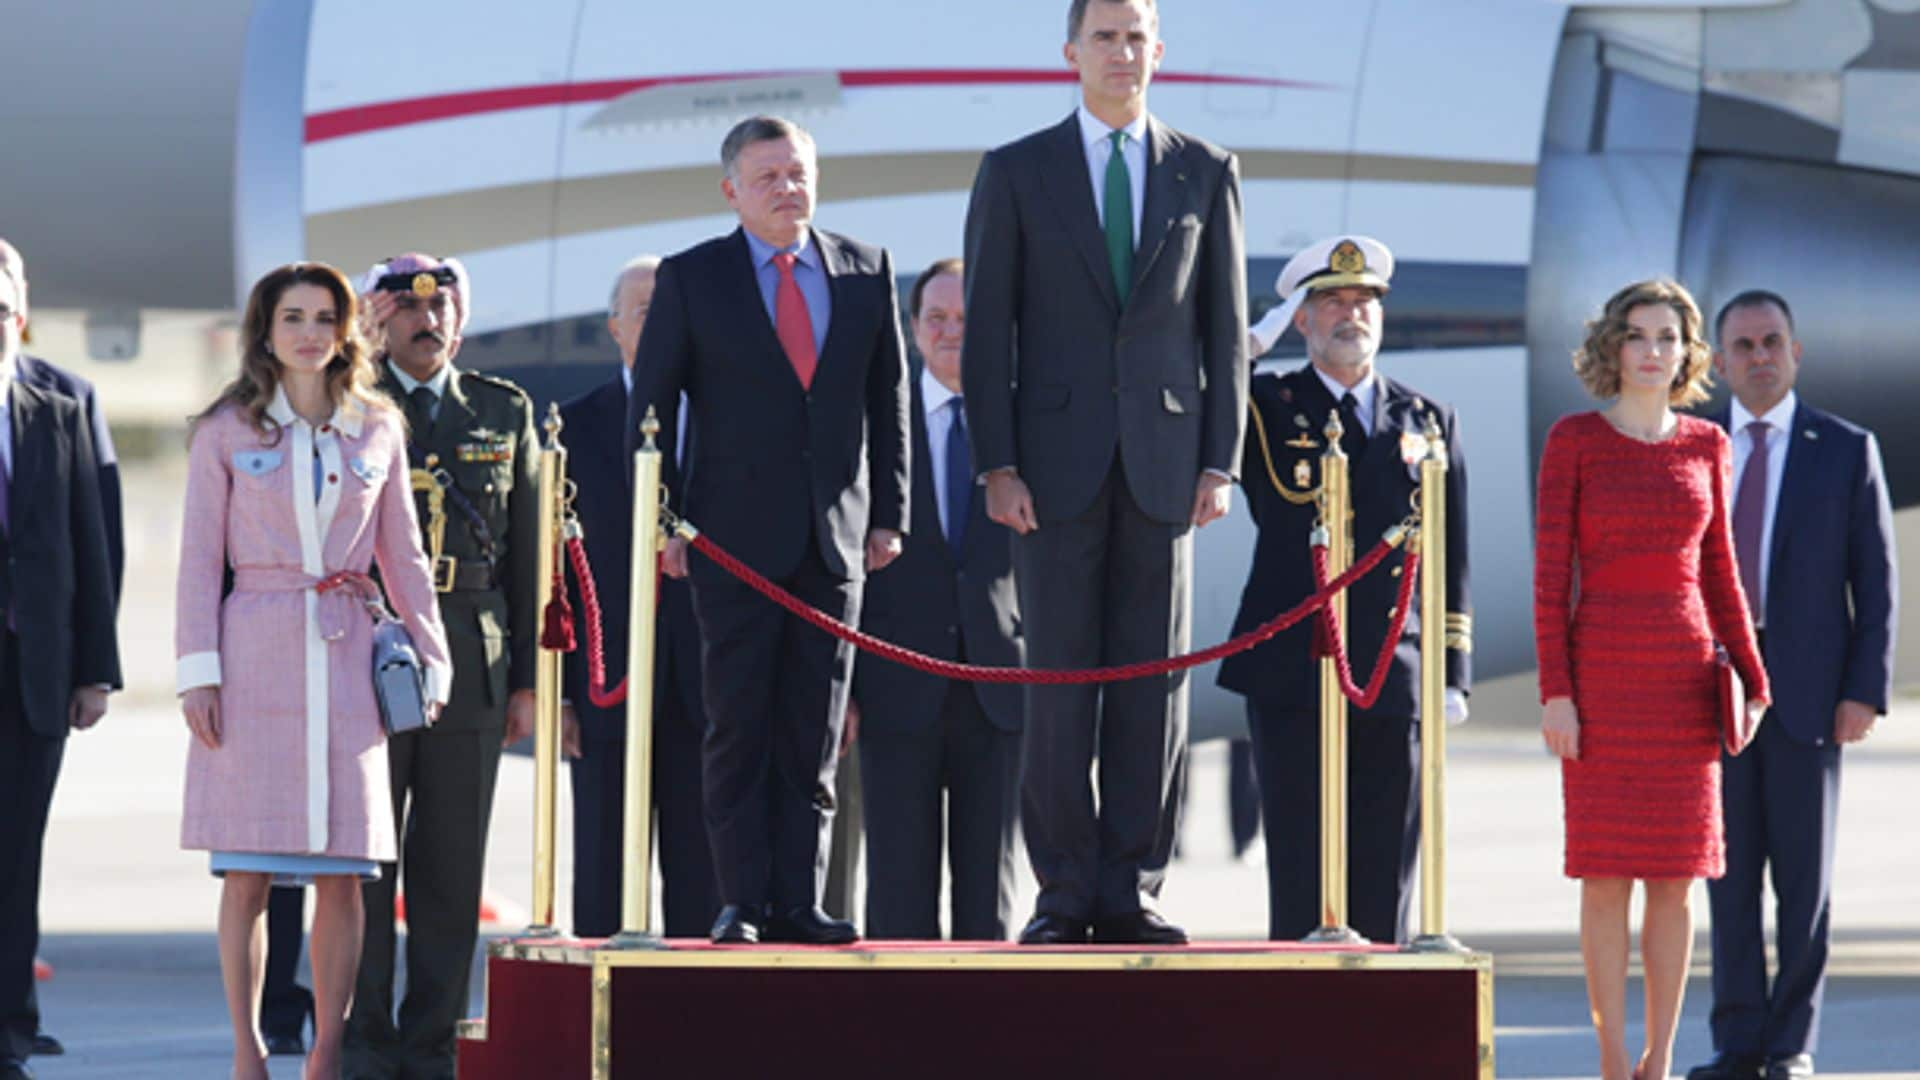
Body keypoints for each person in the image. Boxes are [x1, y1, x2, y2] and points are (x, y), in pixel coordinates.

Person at [961, 0, 1247, 947]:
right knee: (1059, 690)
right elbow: (989, 327)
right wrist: (997, 463)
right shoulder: (1016, 169)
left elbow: (1223, 332)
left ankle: (1134, 885)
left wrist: (1221, 460)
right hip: (1050, 470)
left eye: (1137, 37)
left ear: (1159, 52)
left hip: (1165, 471)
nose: (1123, 52)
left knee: (1151, 689)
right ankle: (1063, 890)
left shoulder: (1205, 171)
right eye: (1106, 36)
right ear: (1071, 53)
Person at [628, 114, 910, 946]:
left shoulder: (865, 269)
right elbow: (652, 407)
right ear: (732, 191)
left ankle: (800, 899)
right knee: (740, 726)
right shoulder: (693, 277)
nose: (789, 189)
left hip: (835, 542)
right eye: (769, 178)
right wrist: (667, 521)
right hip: (730, 543)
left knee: (814, 731)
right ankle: (741, 900)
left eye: (798, 173)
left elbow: (887, 401)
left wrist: (889, 514)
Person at [175, 262, 452, 1080]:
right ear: (264, 331)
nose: (308, 333)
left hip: (346, 656)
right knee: (247, 870)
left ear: (345, 331)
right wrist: (199, 672)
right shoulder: (226, 429)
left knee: (346, 873)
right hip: (252, 651)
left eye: (324, 317)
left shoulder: (378, 427)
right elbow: (198, 562)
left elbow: (403, 553)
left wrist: (430, 659)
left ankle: (326, 1054)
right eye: (292, 317)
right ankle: (246, 1049)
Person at [1534, 278, 1771, 1080]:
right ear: (1614, 346)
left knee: (1675, 882)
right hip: (1600, 675)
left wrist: (1752, 674)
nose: (1652, 351)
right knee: (1604, 880)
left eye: (1667, 337)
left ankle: (1660, 1059)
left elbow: (1722, 571)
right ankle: (1608, 1060)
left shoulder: (1708, 445)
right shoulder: (1573, 440)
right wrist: (1555, 692)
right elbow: (1548, 578)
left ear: (1687, 352)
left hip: (1683, 676)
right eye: (1638, 336)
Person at [1217, 236, 1471, 945]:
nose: (1351, 315)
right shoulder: (1267, 404)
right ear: (1302, 319)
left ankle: (1379, 1037)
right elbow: (1198, 394)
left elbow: (1452, 554)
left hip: (1394, 670)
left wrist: (1451, 671)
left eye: (1364, 303)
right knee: (1301, 870)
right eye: (1331, 302)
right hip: (1296, 664)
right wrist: (1250, 342)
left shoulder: (1425, 420)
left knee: (1387, 868)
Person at [1686, 293, 1896, 1080]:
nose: (1759, 357)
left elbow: (1876, 582)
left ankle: (1790, 1045)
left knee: (1804, 886)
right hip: (1716, 694)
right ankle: (1737, 1043)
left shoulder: (1843, 448)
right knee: (1728, 879)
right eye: (1742, 346)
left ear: (1797, 352)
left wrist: (1863, 690)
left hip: (1809, 693)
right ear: (1720, 362)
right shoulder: (1697, 445)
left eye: (1773, 342)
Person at [347, 253, 539, 1079]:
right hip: (367, 647)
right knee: (363, 858)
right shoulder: (349, 405)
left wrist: (529, 679)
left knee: (451, 861)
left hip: (470, 652)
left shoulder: (502, 409)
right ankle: (363, 1041)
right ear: (379, 323)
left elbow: (532, 557)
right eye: (409, 312)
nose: (429, 324)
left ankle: (429, 1044)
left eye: (443, 310)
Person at [850, 258, 1024, 941]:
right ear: (913, 330)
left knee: (992, 894)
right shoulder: (871, 429)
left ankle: (989, 1039)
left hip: (1001, 688)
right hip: (896, 690)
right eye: (937, 320)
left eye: (966, 320)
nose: (952, 333)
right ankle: (899, 1040)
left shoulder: (1028, 424)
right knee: (897, 892)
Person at [558, 255, 719, 938]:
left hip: (708, 686)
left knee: (703, 874)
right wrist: (562, 688)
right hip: (606, 684)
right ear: (615, 328)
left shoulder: (729, 424)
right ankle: (600, 1017)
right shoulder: (572, 428)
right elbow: (553, 575)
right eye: (645, 311)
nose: (659, 326)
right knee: (602, 870)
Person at [0, 238, 124, 1067]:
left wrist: (94, 670)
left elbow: (97, 540)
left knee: (15, 852)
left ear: (23, 305)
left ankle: (9, 1025)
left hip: (33, 670)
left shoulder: (67, 400)